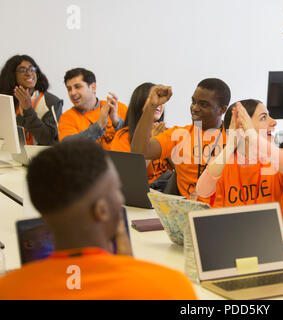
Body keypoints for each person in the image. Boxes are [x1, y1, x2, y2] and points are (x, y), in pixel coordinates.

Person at [0, 139, 197, 299]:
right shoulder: (171, 288)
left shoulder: (7, 289)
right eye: (117, 190)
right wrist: (129, 271)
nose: (120, 199)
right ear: (101, 210)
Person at [195, 99, 283, 243]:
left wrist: (253, 137)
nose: (274, 122)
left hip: (275, 247)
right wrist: (231, 143)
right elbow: (202, 191)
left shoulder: (278, 159)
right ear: (241, 127)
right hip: (236, 246)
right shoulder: (222, 164)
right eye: (264, 117)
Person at [131, 78, 231, 202]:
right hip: (187, 214)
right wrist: (151, 106)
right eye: (193, 102)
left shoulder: (234, 139)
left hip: (222, 214)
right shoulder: (180, 135)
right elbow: (140, 151)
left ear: (222, 110)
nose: (194, 108)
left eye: (203, 104)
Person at [110, 82, 173, 189]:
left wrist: (166, 145)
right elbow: (131, 177)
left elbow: (182, 172)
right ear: (139, 102)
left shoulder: (168, 132)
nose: (158, 103)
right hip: (142, 190)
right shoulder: (124, 136)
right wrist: (152, 140)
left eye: (161, 99)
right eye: (153, 98)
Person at [58, 68, 128, 150]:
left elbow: (135, 140)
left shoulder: (117, 107)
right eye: (69, 89)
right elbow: (67, 146)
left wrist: (116, 122)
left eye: (77, 87)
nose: (72, 93)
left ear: (93, 87)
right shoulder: (67, 117)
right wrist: (99, 126)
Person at [0, 55, 63, 145]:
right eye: (22, 70)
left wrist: (28, 110)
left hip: (40, 157)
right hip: (10, 156)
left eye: (32, 69)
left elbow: (49, 141)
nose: (29, 73)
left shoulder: (51, 102)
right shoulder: (5, 100)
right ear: (12, 74)